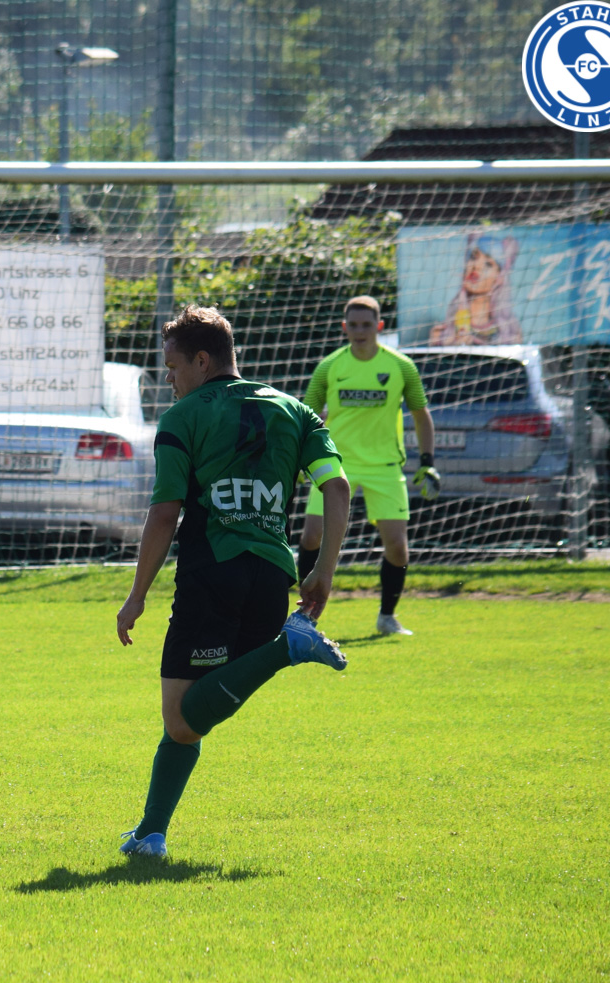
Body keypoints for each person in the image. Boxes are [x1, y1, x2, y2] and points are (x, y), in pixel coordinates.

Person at [115, 305, 351, 858]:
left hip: (212, 572)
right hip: (272, 576)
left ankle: (289, 647)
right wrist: (324, 570)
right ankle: (150, 834)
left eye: (173, 367)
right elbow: (337, 488)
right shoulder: (296, 410)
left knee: (181, 718)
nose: (170, 380)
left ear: (202, 361)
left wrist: (136, 595)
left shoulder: (183, 418)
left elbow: (165, 513)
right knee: (193, 714)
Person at [296, 296, 439, 637]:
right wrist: (300, 459)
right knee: (312, 535)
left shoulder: (402, 366)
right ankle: (306, 614)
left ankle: (387, 617)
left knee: (397, 547)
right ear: (344, 327)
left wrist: (428, 462)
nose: (360, 331)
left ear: (379, 326)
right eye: (353, 325)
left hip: (384, 466)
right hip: (335, 463)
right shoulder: (329, 367)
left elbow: (421, 415)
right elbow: (305, 416)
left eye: (366, 324)